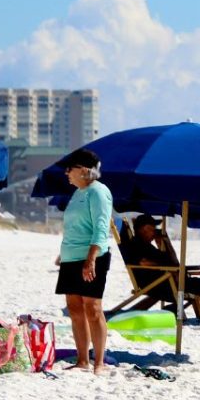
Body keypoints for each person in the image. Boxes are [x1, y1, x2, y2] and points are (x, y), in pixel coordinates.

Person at [55, 148, 113, 374]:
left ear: (84, 170)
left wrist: (90, 260)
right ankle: (82, 360)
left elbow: (101, 227)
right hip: (71, 256)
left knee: (93, 308)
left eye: (70, 169)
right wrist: (63, 254)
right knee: (75, 308)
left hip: (93, 256)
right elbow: (74, 227)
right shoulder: (78, 193)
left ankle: (99, 362)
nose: (66, 173)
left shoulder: (98, 191)